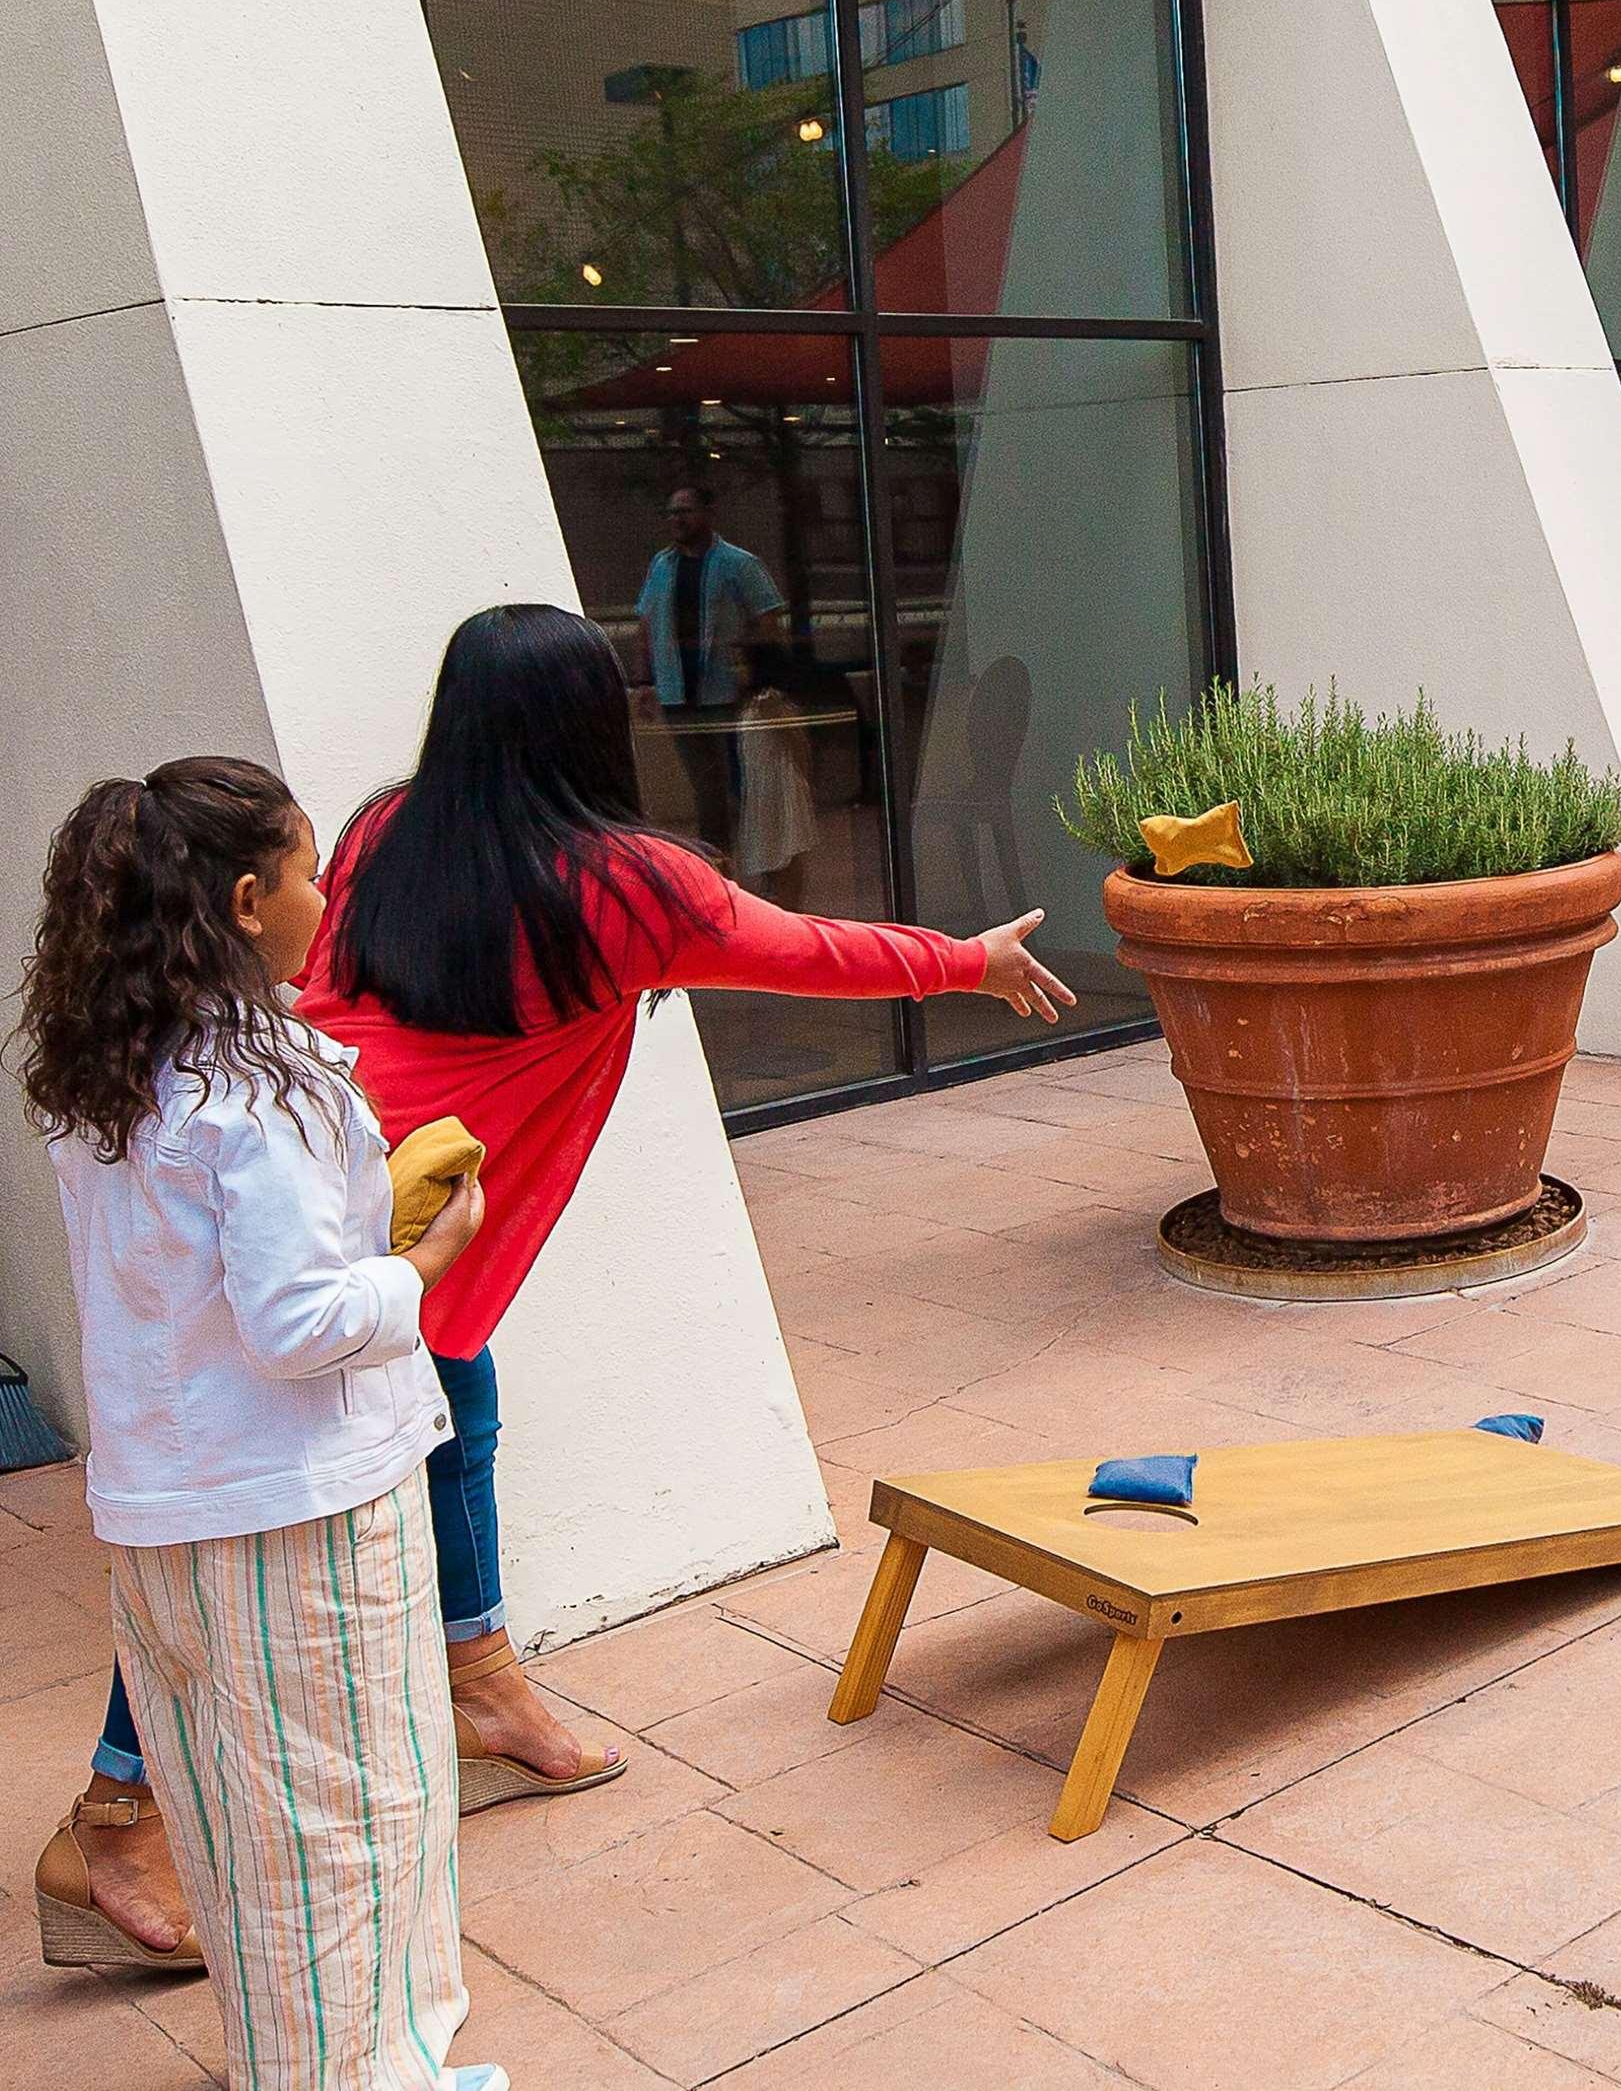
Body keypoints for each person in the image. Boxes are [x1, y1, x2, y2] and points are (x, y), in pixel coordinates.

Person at [48, 602, 1072, 1972]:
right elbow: (805, 949)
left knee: (457, 1412)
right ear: (598, 720)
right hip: (390, 1210)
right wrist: (969, 960)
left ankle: (479, 1679)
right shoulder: (628, 883)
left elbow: (330, 990)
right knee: (241, 1530)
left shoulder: (383, 827)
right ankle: (116, 1812)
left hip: (333, 1164)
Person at [18, 757, 509, 2090]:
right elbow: (296, 1324)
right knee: (352, 1821)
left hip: (167, 1516)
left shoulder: (112, 1070)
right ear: (244, 900)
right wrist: (423, 1262)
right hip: (302, 1515)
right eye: (307, 873)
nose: (324, 897)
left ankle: (313, 2063)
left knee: (242, 1832)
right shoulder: (261, 1087)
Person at [637, 485, 785, 866]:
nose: (677, 519)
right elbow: (647, 622)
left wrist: (746, 659)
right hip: (677, 692)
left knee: (738, 779)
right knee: (704, 782)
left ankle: (749, 858)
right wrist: (646, 681)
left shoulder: (738, 563)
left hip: (725, 691)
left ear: (707, 513)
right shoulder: (661, 565)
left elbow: (769, 619)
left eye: (685, 511)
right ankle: (718, 859)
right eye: (672, 512)